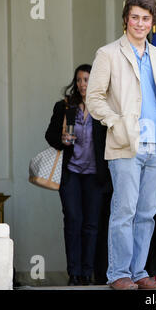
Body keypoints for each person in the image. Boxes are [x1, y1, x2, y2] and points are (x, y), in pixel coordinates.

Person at [86, 0, 156, 290]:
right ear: (125, 19)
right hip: (125, 144)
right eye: (135, 17)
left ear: (152, 23)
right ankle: (118, 274)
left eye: (146, 18)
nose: (140, 23)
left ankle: (139, 271)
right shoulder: (108, 54)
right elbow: (94, 98)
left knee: (146, 215)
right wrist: (114, 121)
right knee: (124, 211)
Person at [45, 64, 111, 286]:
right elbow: (50, 135)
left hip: (95, 174)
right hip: (71, 172)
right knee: (73, 221)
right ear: (76, 82)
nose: (83, 84)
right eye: (80, 80)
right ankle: (74, 273)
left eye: (87, 80)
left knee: (92, 224)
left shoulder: (102, 107)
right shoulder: (65, 107)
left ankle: (87, 272)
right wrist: (62, 141)